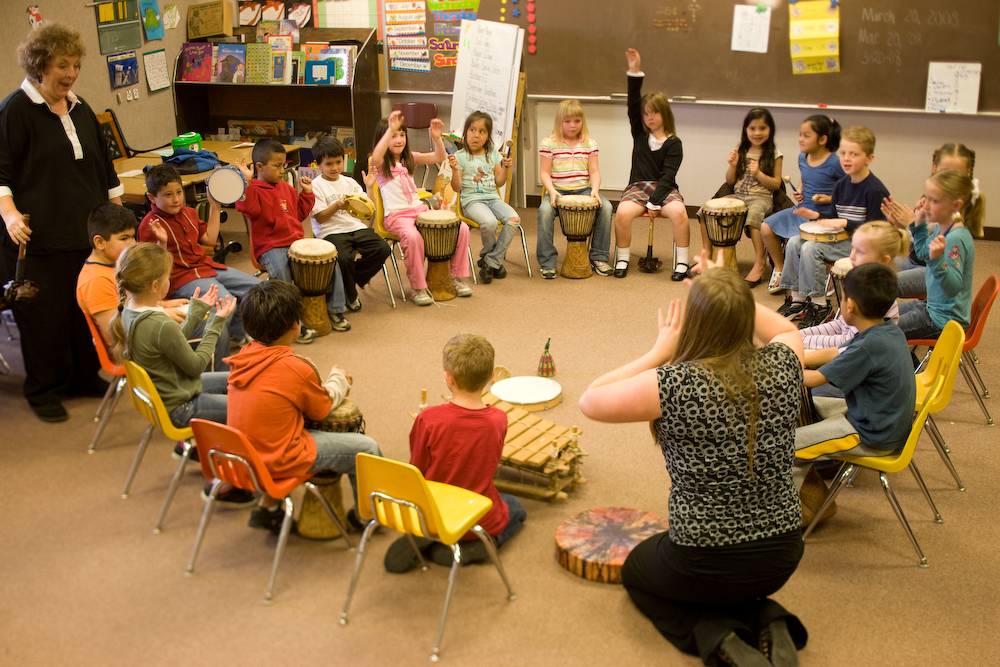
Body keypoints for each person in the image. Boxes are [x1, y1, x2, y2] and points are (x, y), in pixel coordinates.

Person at [579, 250, 808, 667]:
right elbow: (786, 328)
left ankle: (718, 636)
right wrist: (731, 291)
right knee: (735, 583)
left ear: (694, 322)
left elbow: (590, 400)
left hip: (703, 557)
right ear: (745, 317)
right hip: (784, 552)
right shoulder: (785, 363)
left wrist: (658, 351)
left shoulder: (672, 383)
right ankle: (769, 619)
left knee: (637, 573)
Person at [1, 23, 124, 422]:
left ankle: (83, 377)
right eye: (62, 66)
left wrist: (119, 216)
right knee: (45, 320)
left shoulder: (80, 107)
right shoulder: (15, 111)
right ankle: (43, 389)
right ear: (39, 66)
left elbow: (104, 167)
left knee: (82, 309)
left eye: (76, 65)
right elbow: (0, 175)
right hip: (38, 240)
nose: (71, 73)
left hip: (85, 234)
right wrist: (9, 214)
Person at [225, 280, 382, 534]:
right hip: (277, 460)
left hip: (242, 459)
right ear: (295, 326)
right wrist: (338, 379)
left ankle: (268, 508)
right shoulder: (296, 368)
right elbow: (322, 408)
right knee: (366, 448)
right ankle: (369, 519)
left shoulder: (243, 355)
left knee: (279, 423)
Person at [385, 333, 526, 573]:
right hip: (474, 512)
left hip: (432, 512)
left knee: (497, 500)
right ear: (491, 376)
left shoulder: (428, 419)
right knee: (516, 508)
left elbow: (417, 468)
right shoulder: (499, 420)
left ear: (448, 377)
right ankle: (481, 544)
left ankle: (429, 536)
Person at [794, 263, 916, 489]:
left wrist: (777, 367)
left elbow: (815, 379)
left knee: (785, 446)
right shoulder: (885, 329)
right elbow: (835, 352)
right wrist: (795, 355)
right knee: (807, 402)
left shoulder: (868, 347)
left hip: (871, 434)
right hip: (880, 419)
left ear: (849, 306)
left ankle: (792, 507)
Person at [138, 164, 262, 368]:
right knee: (225, 301)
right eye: (168, 195)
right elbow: (153, 269)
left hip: (206, 268)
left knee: (257, 287)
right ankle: (222, 355)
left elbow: (210, 239)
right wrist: (161, 242)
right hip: (180, 278)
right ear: (152, 198)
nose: (176, 199)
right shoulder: (150, 225)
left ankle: (237, 335)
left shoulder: (188, 212)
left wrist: (215, 206)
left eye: (179, 192)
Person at [109, 242, 234, 430]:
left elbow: (172, 343)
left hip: (173, 390)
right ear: (155, 286)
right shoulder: (160, 323)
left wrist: (195, 313)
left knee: (238, 378)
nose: (169, 281)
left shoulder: (127, 310)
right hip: (181, 406)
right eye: (168, 277)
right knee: (251, 404)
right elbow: (197, 366)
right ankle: (198, 442)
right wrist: (215, 324)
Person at [778, 126, 890, 329]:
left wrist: (846, 223)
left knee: (810, 248)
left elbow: (876, 229)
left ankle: (820, 305)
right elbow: (835, 216)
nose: (846, 158)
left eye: (854, 154)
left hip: (862, 246)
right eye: (844, 153)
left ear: (869, 158)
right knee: (794, 241)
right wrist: (816, 216)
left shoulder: (874, 189)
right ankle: (797, 300)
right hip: (841, 238)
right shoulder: (841, 185)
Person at [235, 137, 346, 336]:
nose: (282, 170)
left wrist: (307, 194)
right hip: (270, 246)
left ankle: (335, 309)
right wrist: (247, 182)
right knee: (281, 271)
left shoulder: (286, 187)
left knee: (330, 259)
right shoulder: (253, 189)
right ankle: (291, 323)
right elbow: (249, 208)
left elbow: (298, 215)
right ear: (259, 166)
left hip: (295, 241)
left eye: (283, 165)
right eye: (277, 166)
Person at [371, 110, 471, 305]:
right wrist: (390, 129)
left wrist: (437, 138)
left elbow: (439, 156)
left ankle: (456, 277)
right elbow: (376, 156)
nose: (399, 140)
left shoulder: (410, 157)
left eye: (402, 135)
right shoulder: (380, 163)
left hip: (419, 211)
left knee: (461, 228)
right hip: (397, 217)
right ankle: (418, 288)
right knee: (413, 237)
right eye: (393, 136)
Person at [613, 48, 690, 280]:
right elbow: (632, 104)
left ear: (664, 114)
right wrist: (634, 71)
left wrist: (655, 202)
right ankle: (622, 258)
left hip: (663, 189)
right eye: (646, 114)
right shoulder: (640, 134)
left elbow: (668, 177)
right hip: (638, 187)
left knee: (679, 212)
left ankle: (682, 263)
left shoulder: (674, 143)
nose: (649, 118)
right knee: (622, 213)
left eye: (654, 113)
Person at [882, 143, 984, 298]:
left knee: (880, 285)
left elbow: (937, 254)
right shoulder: (932, 197)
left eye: (956, 173)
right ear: (934, 169)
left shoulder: (958, 215)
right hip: (914, 258)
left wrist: (912, 224)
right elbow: (920, 243)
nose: (949, 180)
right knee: (872, 268)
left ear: (967, 174)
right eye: (945, 172)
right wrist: (903, 226)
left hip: (930, 269)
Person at [800, 221, 908, 368]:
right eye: (853, 249)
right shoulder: (860, 283)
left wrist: (801, 340)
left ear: (883, 260)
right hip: (849, 353)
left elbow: (849, 341)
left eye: (860, 252)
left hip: (860, 364)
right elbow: (841, 324)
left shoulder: (877, 295)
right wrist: (800, 334)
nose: (851, 256)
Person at [895, 169, 983, 340]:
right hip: (932, 308)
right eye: (926, 198)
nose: (926, 205)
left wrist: (937, 260)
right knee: (878, 319)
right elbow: (922, 253)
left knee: (880, 331)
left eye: (934, 201)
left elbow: (952, 288)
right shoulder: (944, 227)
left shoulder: (955, 238)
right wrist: (918, 224)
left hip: (945, 321)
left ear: (956, 205)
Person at [761, 115, 845, 292]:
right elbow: (804, 178)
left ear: (822, 140)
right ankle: (780, 268)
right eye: (800, 134)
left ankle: (825, 274)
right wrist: (799, 190)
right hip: (802, 209)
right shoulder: (803, 157)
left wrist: (828, 199)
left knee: (803, 243)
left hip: (824, 216)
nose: (800, 139)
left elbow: (847, 193)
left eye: (806, 135)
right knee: (766, 227)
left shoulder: (835, 163)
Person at [308, 136, 390, 311]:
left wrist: (369, 187)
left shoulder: (349, 182)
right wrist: (336, 206)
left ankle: (350, 280)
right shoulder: (315, 186)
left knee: (383, 248)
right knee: (343, 258)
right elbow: (320, 218)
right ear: (317, 165)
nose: (335, 167)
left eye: (338, 162)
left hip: (355, 227)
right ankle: (350, 295)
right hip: (330, 231)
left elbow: (368, 210)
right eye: (329, 164)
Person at [536, 100, 614, 279]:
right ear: (559, 122)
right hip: (558, 191)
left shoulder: (589, 144)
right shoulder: (549, 143)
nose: (573, 125)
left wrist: (595, 190)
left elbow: (594, 171)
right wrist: (552, 191)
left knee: (607, 208)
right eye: (567, 121)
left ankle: (599, 256)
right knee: (544, 212)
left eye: (577, 121)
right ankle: (547, 262)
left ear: (582, 121)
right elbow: (544, 173)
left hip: (584, 190)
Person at [706, 108, 783, 287]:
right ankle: (707, 256)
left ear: (770, 130)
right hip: (739, 195)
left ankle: (759, 262)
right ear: (745, 130)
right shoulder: (742, 150)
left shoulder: (774, 154)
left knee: (754, 214)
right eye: (752, 128)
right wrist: (732, 165)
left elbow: (776, 184)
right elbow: (730, 181)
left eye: (762, 128)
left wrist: (759, 174)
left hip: (762, 197)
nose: (757, 133)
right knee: (706, 211)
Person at [448, 111, 519, 284]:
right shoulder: (460, 156)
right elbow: (456, 188)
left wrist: (506, 168)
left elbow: (499, 182)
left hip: (493, 199)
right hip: (471, 201)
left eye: (482, 131)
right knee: (490, 222)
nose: (476, 135)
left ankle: (491, 261)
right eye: (472, 130)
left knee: (514, 219)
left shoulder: (493, 153)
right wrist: (455, 170)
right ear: (465, 132)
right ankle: (493, 261)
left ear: (488, 136)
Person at [76, 203, 143, 343]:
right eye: (124, 238)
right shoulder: (96, 281)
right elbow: (118, 334)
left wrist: (163, 306)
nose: (132, 244)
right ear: (100, 242)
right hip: (133, 349)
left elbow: (135, 302)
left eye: (133, 236)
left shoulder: (115, 264)